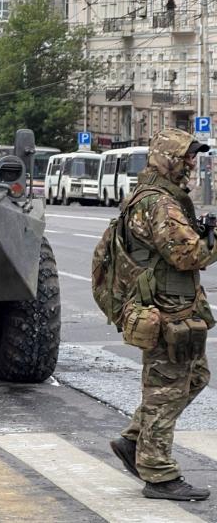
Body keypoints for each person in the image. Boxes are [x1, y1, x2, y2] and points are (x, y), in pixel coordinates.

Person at [109, 128, 213, 501]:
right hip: (166, 308)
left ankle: (134, 439)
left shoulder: (154, 196)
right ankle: (158, 474)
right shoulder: (161, 203)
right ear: (168, 159)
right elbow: (187, 256)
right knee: (165, 391)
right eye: (186, 156)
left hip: (172, 304)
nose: (191, 163)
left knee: (195, 376)